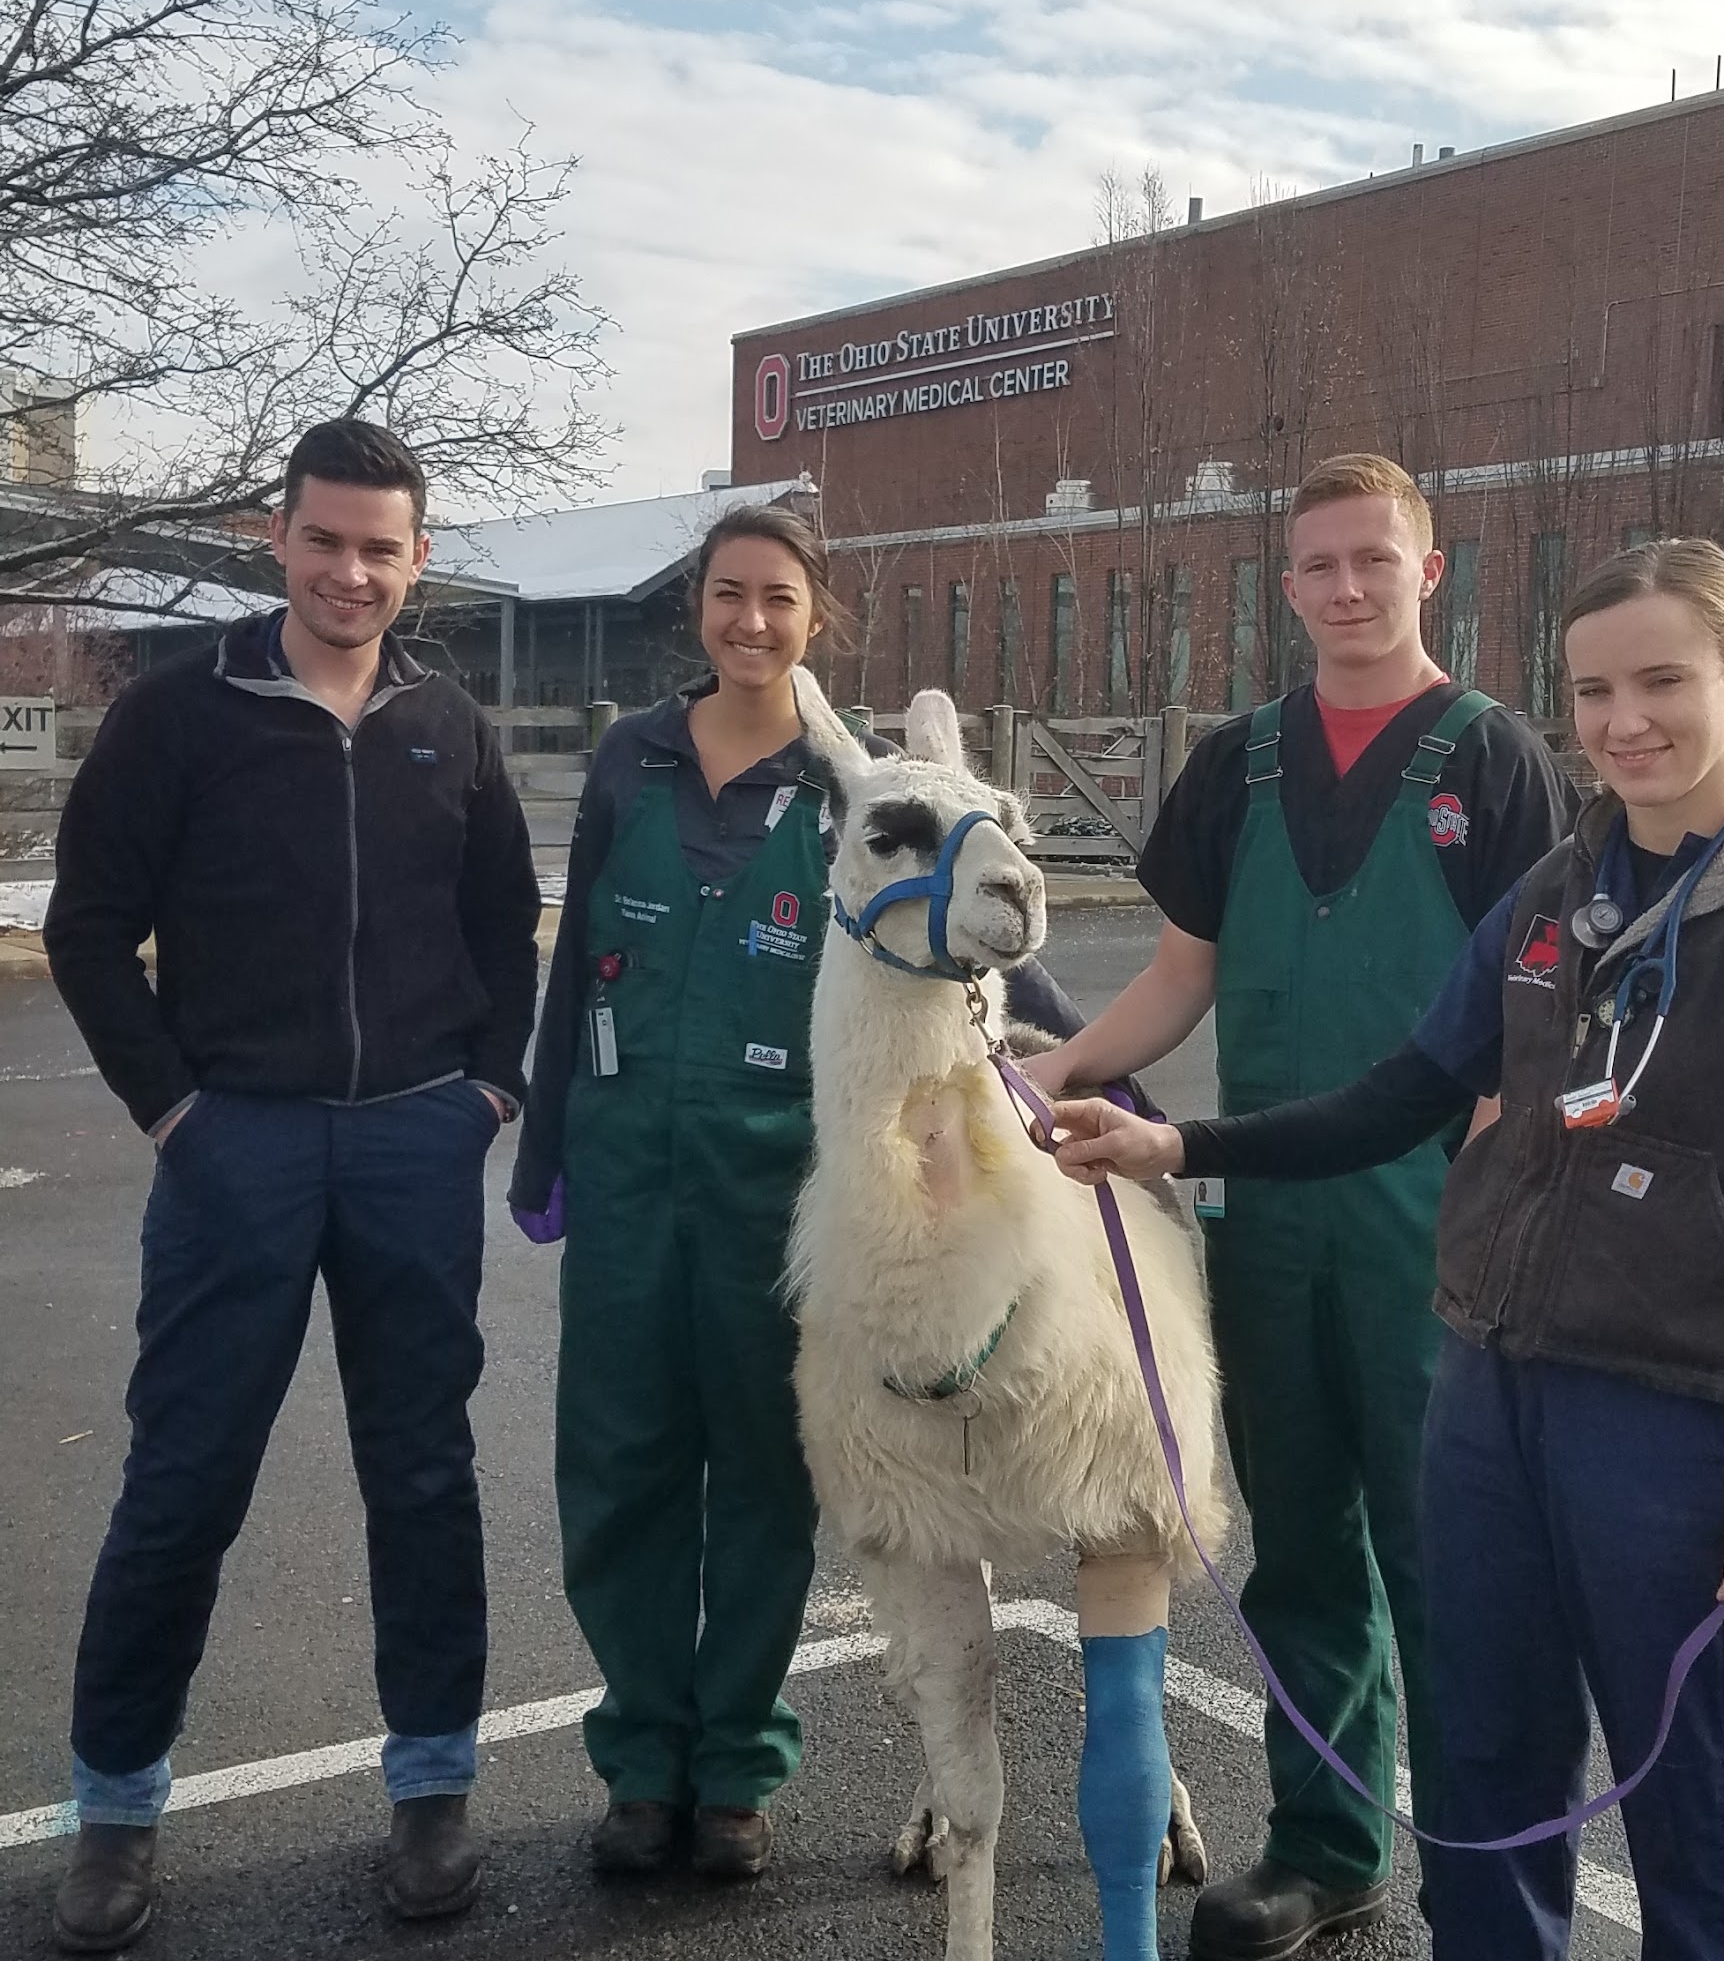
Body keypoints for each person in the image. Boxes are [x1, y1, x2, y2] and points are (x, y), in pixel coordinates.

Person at [1051, 538, 1724, 1961]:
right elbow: (1403, 1095)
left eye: (1663, 680)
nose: (1625, 721)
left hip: (1676, 1421)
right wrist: (1183, 1146)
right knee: (1483, 1774)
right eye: (1593, 691)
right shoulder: (1555, 893)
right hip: (1487, 1394)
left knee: (1694, 1806)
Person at [1021, 454, 1577, 1958]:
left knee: (1443, 1554)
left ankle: (1481, 1875)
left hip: (1428, 1223)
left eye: (1373, 563)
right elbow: (1177, 980)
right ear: (1288, 585)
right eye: (1319, 566)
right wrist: (1046, 1065)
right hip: (1260, 1213)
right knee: (1302, 1548)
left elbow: (1537, 1019)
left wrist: (1480, 1183)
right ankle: (1327, 1848)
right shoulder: (1240, 763)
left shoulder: (1492, 759)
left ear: (1429, 571)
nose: (1347, 589)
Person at [509, 503, 1089, 1883]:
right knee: (621, 1471)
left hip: (783, 1187)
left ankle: (735, 1774)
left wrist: (1091, 1074)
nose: (750, 620)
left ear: (812, 616)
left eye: (778, 598)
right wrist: (543, 1145)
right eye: (728, 594)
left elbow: (973, 953)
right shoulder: (631, 761)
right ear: (696, 608)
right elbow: (577, 938)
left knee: (766, 1478)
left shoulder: (858, 786)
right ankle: (642, 1762)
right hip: (629, 1167)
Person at [42, 420, 542, 1951]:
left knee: (423, 1476)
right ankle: (115, 1811)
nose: (351, 571)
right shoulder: (179, 711)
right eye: (325, 540)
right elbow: (84, 929)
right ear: (278, 536)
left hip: (410, 1144)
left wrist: (486, 1091)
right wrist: (176, 1111)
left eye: (380, 547)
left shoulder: (448, 723)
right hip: (235, 1148)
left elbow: (503, 923)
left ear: (419, 557)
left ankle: (432, 1790)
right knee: (183, 1481)